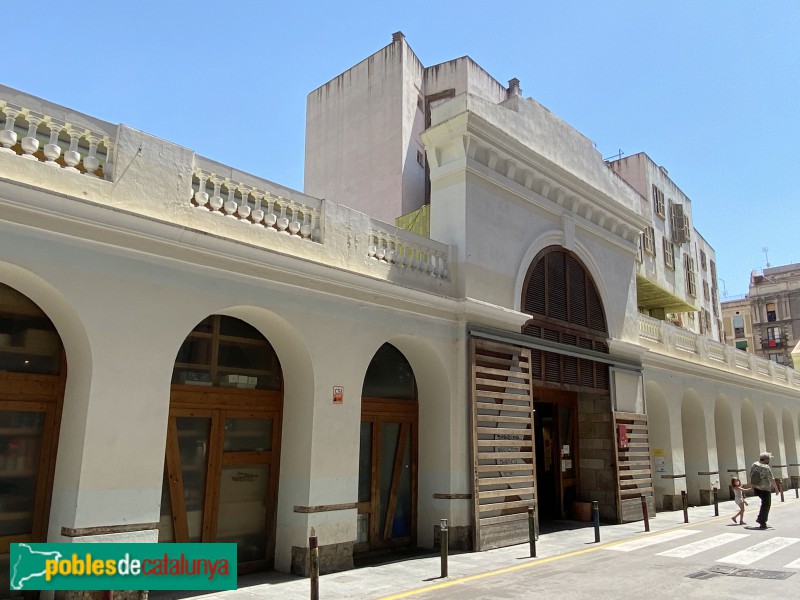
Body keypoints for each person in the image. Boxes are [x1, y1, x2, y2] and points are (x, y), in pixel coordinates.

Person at [749, 451, 780, 529]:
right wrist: (776, 489)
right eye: (769, 459)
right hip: (764, 489)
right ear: (766, 460)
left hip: (756, 488)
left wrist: (753, 485)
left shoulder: (754, 464)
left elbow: (751, 475)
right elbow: (771, 479)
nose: (769, 461)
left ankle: (761, 519)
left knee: (764, 504)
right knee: (766, 504)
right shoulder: (766, 467)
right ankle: (762, 521)